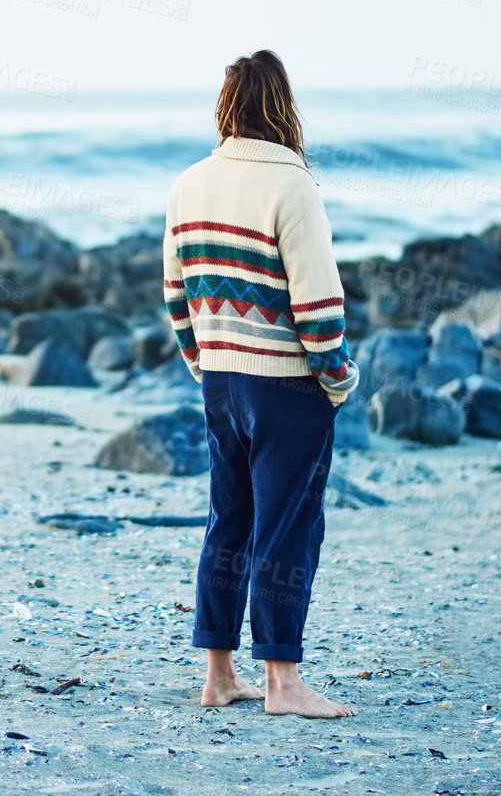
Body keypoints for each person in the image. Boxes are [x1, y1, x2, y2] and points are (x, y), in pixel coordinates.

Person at [161, 49, 361, 718]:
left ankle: (218, 675)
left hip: (220, 380)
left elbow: (175, 294)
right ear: (283, 106)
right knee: (288, 530)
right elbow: (318, 307)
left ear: (227, 106)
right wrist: (337, 378)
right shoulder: (292, 184)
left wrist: (205, 363)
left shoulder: (189, 183)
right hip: (286, 387)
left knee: (229, 523)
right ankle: (283, 682)